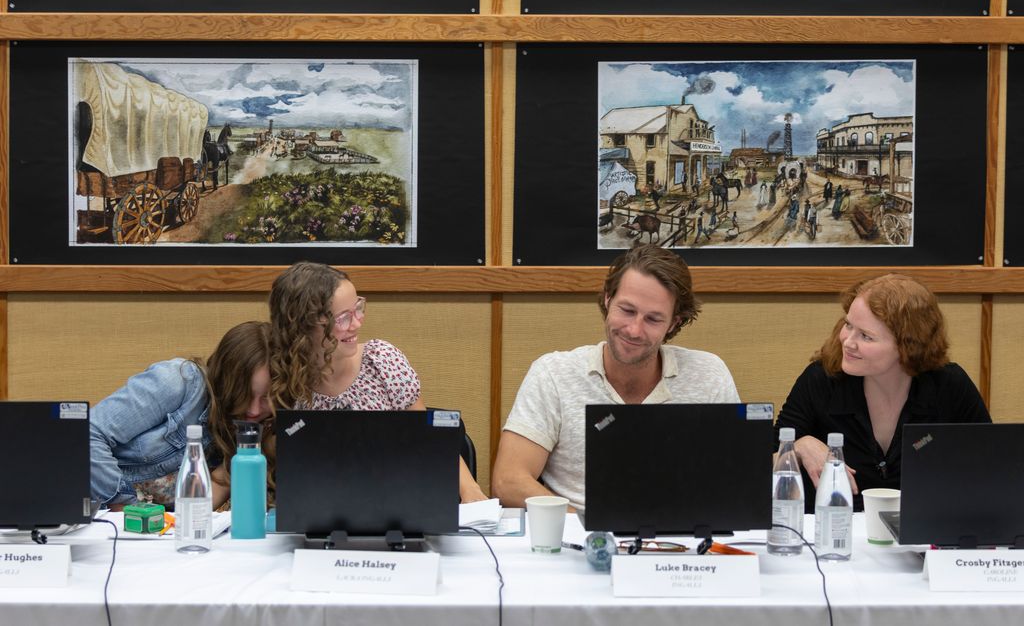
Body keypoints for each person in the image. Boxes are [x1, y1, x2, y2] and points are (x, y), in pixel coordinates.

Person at [492, 245, 741, 511]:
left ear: (674, 323)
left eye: (653, 319)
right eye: (627, 310)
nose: (634, 330)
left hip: (681, 537)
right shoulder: (553, 373)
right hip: (580, 538)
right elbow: (508, 481)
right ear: (608, 300)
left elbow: (738, 476)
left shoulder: (709, 374)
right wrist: (588, 525)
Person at [267, 261, 488, 503]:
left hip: (394, 502)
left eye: (358, 308)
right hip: (318, 509)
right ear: (303, 326)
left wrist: (470, 491)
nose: (357, 323)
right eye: (342, 318)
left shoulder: (382, 360)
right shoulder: (282, 380)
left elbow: (427, 439)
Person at [775, 274, 991, 511]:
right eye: (848, 325)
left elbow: (991, 465)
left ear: (908, 346)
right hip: (834, 529)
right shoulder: (822, 379)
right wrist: (799, 446)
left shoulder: (948, 385)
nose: (848, 342)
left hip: (922, 531)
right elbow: (760, 463)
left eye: (866, 336)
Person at [90, 321, 273, 510]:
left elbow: (209, 496)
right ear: (225, 380)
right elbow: (89, 433)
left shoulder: (259, 431)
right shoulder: (179, 381)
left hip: (159, 531)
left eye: (267, 397)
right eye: (244, 394)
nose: (254, 410)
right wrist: (126, 508)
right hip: (100, 514)